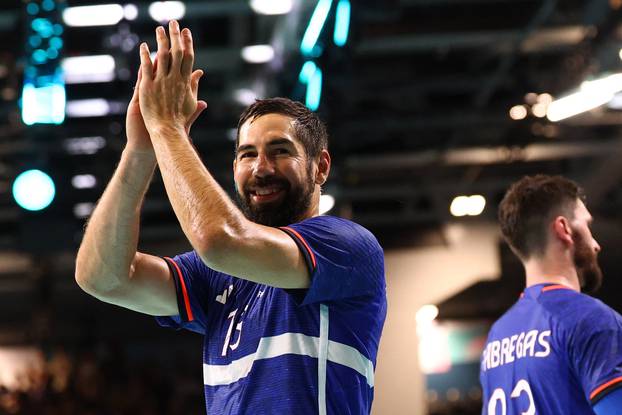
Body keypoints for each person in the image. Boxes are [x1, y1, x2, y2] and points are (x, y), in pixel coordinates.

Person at [74, 20, 387, 415]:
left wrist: (168, 128)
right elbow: (102, 277)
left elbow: (219, 240)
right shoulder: (217, 276)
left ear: (320, 167)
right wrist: (141, 148)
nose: (261, 168)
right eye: (247, 154)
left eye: (280, 151)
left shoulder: (347, 246)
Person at [480, 174, 622, 415]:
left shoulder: (497, 337)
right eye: (587, 225)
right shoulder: (591, 320)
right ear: (564, 228)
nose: (596, 243)